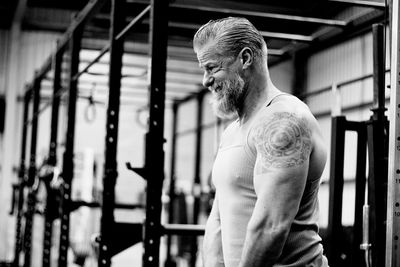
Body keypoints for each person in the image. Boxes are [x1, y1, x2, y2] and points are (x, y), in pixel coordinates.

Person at [193, 17, 328, 267]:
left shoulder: (283, 121)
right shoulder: (232, 131)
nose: (205, 80)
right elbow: (217, 219)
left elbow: (271, 226)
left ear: (245, 59)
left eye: (212, 68)